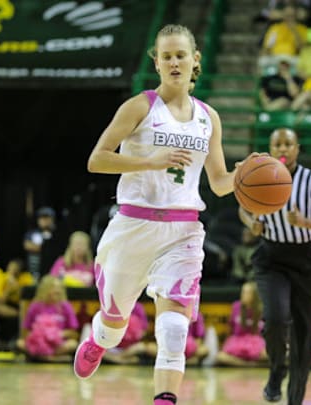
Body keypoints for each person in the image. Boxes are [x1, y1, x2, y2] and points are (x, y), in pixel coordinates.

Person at [72, 24, 257, 405]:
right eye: (167, 56)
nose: (174, 62)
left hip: (183, 229)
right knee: (114, 327)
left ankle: (165, 399)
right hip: (133, 226)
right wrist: (149, 161)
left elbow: (219, 182)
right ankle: (99, 340)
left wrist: (246, 173)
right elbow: (96, 160)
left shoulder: (209, 118)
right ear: (156, 63)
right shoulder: (139, 107)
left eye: (181, 55)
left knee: (174, 325)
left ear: (195, 61)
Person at [238, 128, 311, 404]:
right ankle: (276, 370)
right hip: (271, 258)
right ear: (270, 149)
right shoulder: (258, 175)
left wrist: (307, 223)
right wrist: (252, 224)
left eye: (288, 144)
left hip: (305, 260)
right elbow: (243, 208)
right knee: (275, 318)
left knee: (304, 334)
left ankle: (295, 398)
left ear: (297, 148)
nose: (283, 149)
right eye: (277, 144)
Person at [17, 275, 79, 361]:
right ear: (45, 289)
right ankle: (52, 358)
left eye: (59, 288)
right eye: (53, 287)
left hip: (58, 344)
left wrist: (59, 334)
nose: (57, 291)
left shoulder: (66, 306)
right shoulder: (35, 306)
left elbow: (74, 334)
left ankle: (43, 357)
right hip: (37, 343)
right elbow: (25, 332)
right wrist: (39, 335)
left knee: (73, 344)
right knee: (20, 343)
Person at [215, 281, 266, 366]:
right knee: (220, 357)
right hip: (237, 342)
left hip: (257, 344)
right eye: (243, 292)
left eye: (247, 292)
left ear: (254, 295)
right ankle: (248, 364)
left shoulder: (261, 309)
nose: (243, 294)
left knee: (268, 354)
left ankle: (247, 363)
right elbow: (230, 328)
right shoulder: (236, 307)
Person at [23, 206, 56, 279]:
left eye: (47, 218)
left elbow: (56, 249)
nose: (44, 220)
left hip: (52, 270)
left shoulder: (57, 234)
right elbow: (27, 245)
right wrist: (46, 248)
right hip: (34, 269)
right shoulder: (32, 233)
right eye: (41, 218)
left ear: (52, 219)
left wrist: (42, 248)